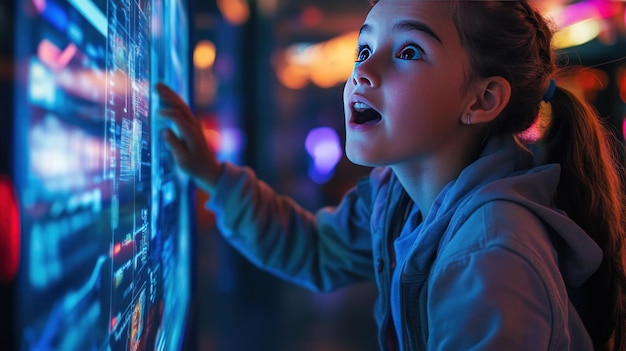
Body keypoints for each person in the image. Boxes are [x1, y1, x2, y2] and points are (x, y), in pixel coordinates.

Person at [157, 0, 626, 350]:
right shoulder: (397, 197)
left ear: (482, 101)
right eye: (364, 46)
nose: (363, 70)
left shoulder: (490, 258)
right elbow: (316, 250)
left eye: (407, 51)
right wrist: (212, 175)